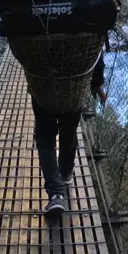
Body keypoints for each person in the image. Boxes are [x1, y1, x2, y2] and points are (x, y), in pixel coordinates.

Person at [37, 49, 106, 217]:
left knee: (46, 138)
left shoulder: (35, 23)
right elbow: (96, 52)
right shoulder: (86, 25)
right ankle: (66, 172)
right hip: (74, 90)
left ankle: (56, 194)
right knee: (68, 131)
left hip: (43, 88)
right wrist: (96, 85)